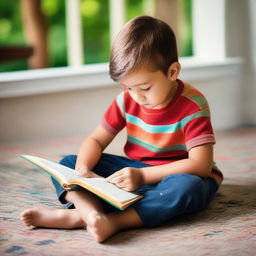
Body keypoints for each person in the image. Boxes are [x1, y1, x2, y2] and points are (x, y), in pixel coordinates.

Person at [20, 16, 223, 243]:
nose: (137, 96)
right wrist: (83, 170)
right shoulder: (126, 100)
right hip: (135, 170)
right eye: (127, 87)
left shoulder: (193, 105)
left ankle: (105, 220)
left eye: (145, 87)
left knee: (189, 188)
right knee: (68, 163)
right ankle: (90, 214)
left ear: (173, 72)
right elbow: (96, 140)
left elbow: (201, 166)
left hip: (179, 174)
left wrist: (142, 176)